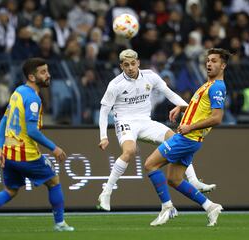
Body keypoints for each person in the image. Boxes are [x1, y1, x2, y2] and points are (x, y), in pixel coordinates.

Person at [98, 49, 216, 211]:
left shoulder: (150, 76)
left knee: (177, 139)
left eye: (133, 64)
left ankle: (194, 181)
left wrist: (189, 110)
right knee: (129, 151)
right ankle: (106, 192)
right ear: (121, 66)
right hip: (125, 122)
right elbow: (104, 111)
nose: (130, 68)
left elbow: (170, 94)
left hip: (146, 122)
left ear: (138, 63)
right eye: (126, 65)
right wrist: (103, 136)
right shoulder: (115, 85)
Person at [0, 58, 74, 232]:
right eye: (43, 72)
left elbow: (4, 120)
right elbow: (32, 131)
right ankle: (60, 224)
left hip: (9, 153)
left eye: (47, 71)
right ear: (32, 77)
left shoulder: (17, 92)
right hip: (26, 155)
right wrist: (54, 148)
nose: (48, 75)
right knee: (54, 182)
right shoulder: (33, 99)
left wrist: (1, 146)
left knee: (10, 190)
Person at [144, 48, 231, 227]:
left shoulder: (217, 87)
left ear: (223, 66)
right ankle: (210, 206)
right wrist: (182, 108)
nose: (209, 63)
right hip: (190, 139)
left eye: (214, 61)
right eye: (208, 60)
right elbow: (199, 109)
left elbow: (217, 118)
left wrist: (189, 126)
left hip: (187, 137)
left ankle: (167, 207)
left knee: (150, 164)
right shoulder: (207, 84)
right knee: (174, 179)